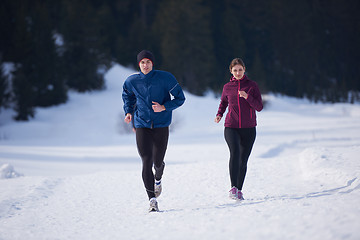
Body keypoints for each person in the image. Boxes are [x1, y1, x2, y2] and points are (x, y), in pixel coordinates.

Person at [122, 50, 185, 212]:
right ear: (139, 64)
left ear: (153, 63)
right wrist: (128, 112)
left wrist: (164, 107)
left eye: (148, 62)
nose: (145, 65)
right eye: (142, 62)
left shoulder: (166, 78)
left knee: (157, 162)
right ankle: (152, 200)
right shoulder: (132, 81)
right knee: (146, 160)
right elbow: (127, 97)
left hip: (161, 124)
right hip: (142, 124)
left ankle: (158, 178)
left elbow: (180, 98)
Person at [215, 58, 263, 201]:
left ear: (244, 69)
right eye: (235, 70)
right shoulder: (227, 87)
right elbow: (223, 102)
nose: (238, 72)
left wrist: (247, 96)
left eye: (240, 70)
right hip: (231, 126)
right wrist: (219, 114)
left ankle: (239, 189)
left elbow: (259, 107)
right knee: (235, 152)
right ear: (231, 71)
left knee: (243, 160)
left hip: (249, 128)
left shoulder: (252, 86)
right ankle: (233, 187)